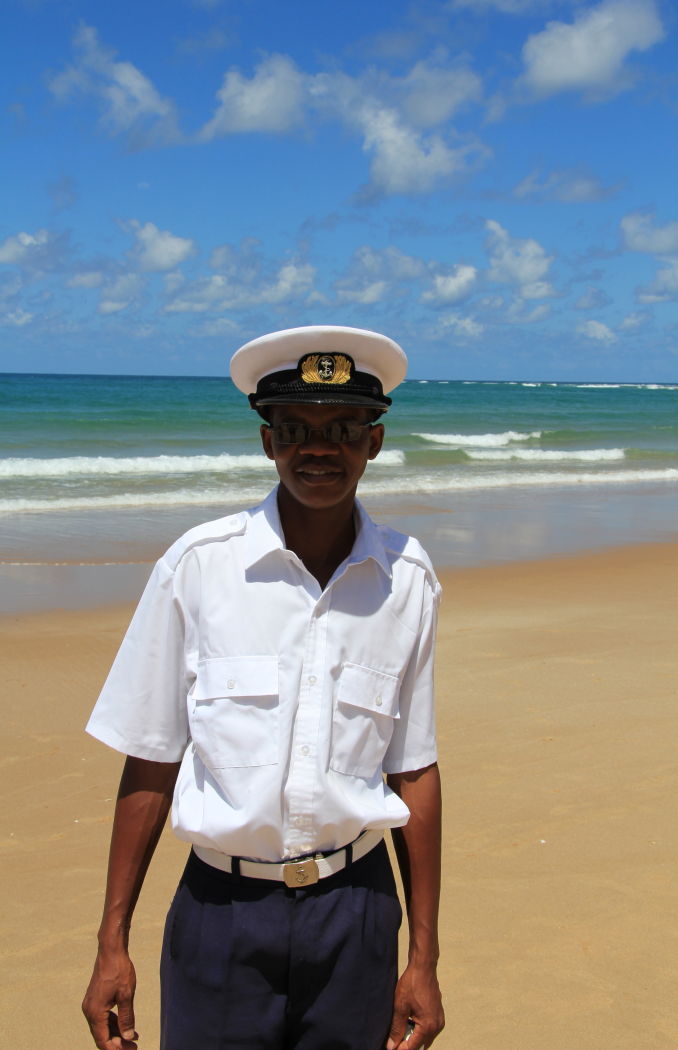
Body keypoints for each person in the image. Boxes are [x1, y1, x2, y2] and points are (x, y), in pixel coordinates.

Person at [82, 325, 445, 1050]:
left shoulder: (408, 581)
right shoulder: (197, 568)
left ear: (373, 443)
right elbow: (152, 758)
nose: (319, 448)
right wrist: (111, 941)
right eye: (294, 429)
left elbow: (415, 769)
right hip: (220, 913)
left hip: (358, 911)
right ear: (266, 441)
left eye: (342, 427)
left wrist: (425, 958)